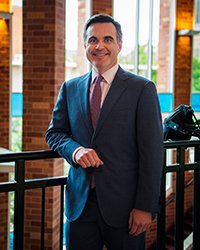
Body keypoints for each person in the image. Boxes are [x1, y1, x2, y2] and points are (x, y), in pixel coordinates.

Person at [45, 14, 163, 250]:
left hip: (127, 208)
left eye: (107, 39)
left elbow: (152, 153)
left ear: (119, 45)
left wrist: (145, 206)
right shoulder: (70, 88)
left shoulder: (142, 88)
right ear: (85, 45)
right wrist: (75, 150)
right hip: (80, 207)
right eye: (93, 40)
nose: (99, 46)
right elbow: (55, 133)